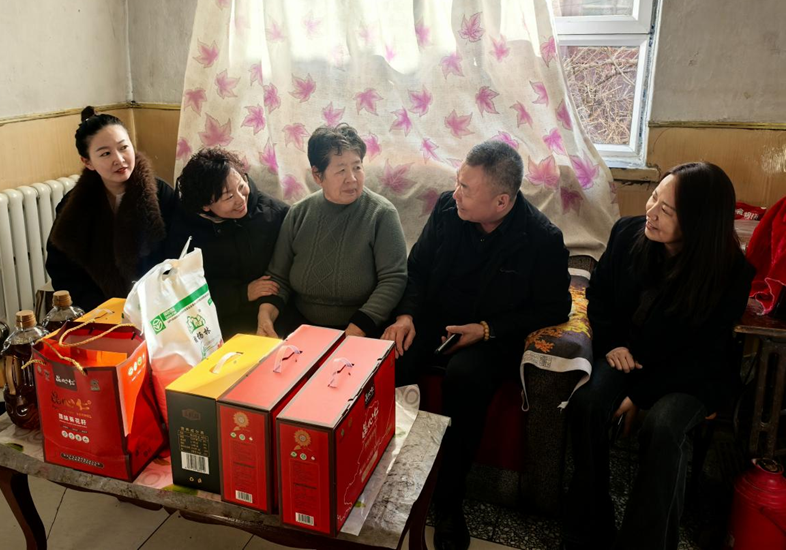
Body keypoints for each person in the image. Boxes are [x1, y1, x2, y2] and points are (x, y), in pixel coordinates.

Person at [382, 140, 571, 550]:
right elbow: (417, 269)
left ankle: (449, 500)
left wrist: (486, 329)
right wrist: (406, 316)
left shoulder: (541, 239)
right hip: (436, 319)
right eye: (457, 182)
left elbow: (556, 306)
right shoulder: (448, 210)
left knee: (465, 377)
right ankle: (383, 475)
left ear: (501, 201)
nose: (456, 194)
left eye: (466, 188)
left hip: (491, 336)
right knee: (391, 356)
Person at [562, 162, 755, 550]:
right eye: (654, 198)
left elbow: (704, 351)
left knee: (664, 427)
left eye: (667, 210)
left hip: (690, 373)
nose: (651, 212)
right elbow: (598, 296)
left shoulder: (729, 271)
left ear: (699, 221)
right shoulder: (627, 233)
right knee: (587, 404)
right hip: (627, 354)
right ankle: (590, 526)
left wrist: (640, 395)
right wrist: (612, 344)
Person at [256, 124, 407, 338]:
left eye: (357, 167)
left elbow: (393, 279)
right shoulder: (299, 213)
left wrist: (353, 332)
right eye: (341, 170)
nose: (352, 178)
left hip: (360, 328)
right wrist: (265, 317)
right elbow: (278, 278)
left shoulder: (381, 214)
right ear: (317, 175)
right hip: (300, 325)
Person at [46, 106, 176, 311]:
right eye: (105, 153)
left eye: (124, 147)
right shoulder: (73, 207)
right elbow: (62, 269)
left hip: (159, 306)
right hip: (98, 311)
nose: (119, 159)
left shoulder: (161, 194)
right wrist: (101, 308)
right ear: (87, 162)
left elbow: (178, 255)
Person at [166, 147, 289, 338]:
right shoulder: (186, 232)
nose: (240, 200)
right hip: (215, 322)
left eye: (241, 186)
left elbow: (287, 270)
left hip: (273, 311)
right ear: (205, 205)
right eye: (228, 197)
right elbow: (183, 290)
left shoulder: (274, 213)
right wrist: (242, 293)